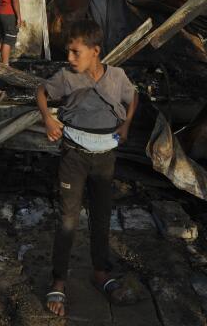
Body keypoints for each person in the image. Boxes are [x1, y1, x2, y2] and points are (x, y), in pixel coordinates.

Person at [37, 20, 140, 317]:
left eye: (75, 52)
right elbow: (41, 92)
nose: (69, 58)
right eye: (68, 52)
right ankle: (59, 279)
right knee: (68, 218)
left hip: (105, 158)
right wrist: (48, 119)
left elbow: (133, 97)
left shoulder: (117, 77)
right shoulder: (67, 78)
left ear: (95, 52)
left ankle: (100, 272)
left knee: (101, 216)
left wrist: (127, 123)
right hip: (75, 156)